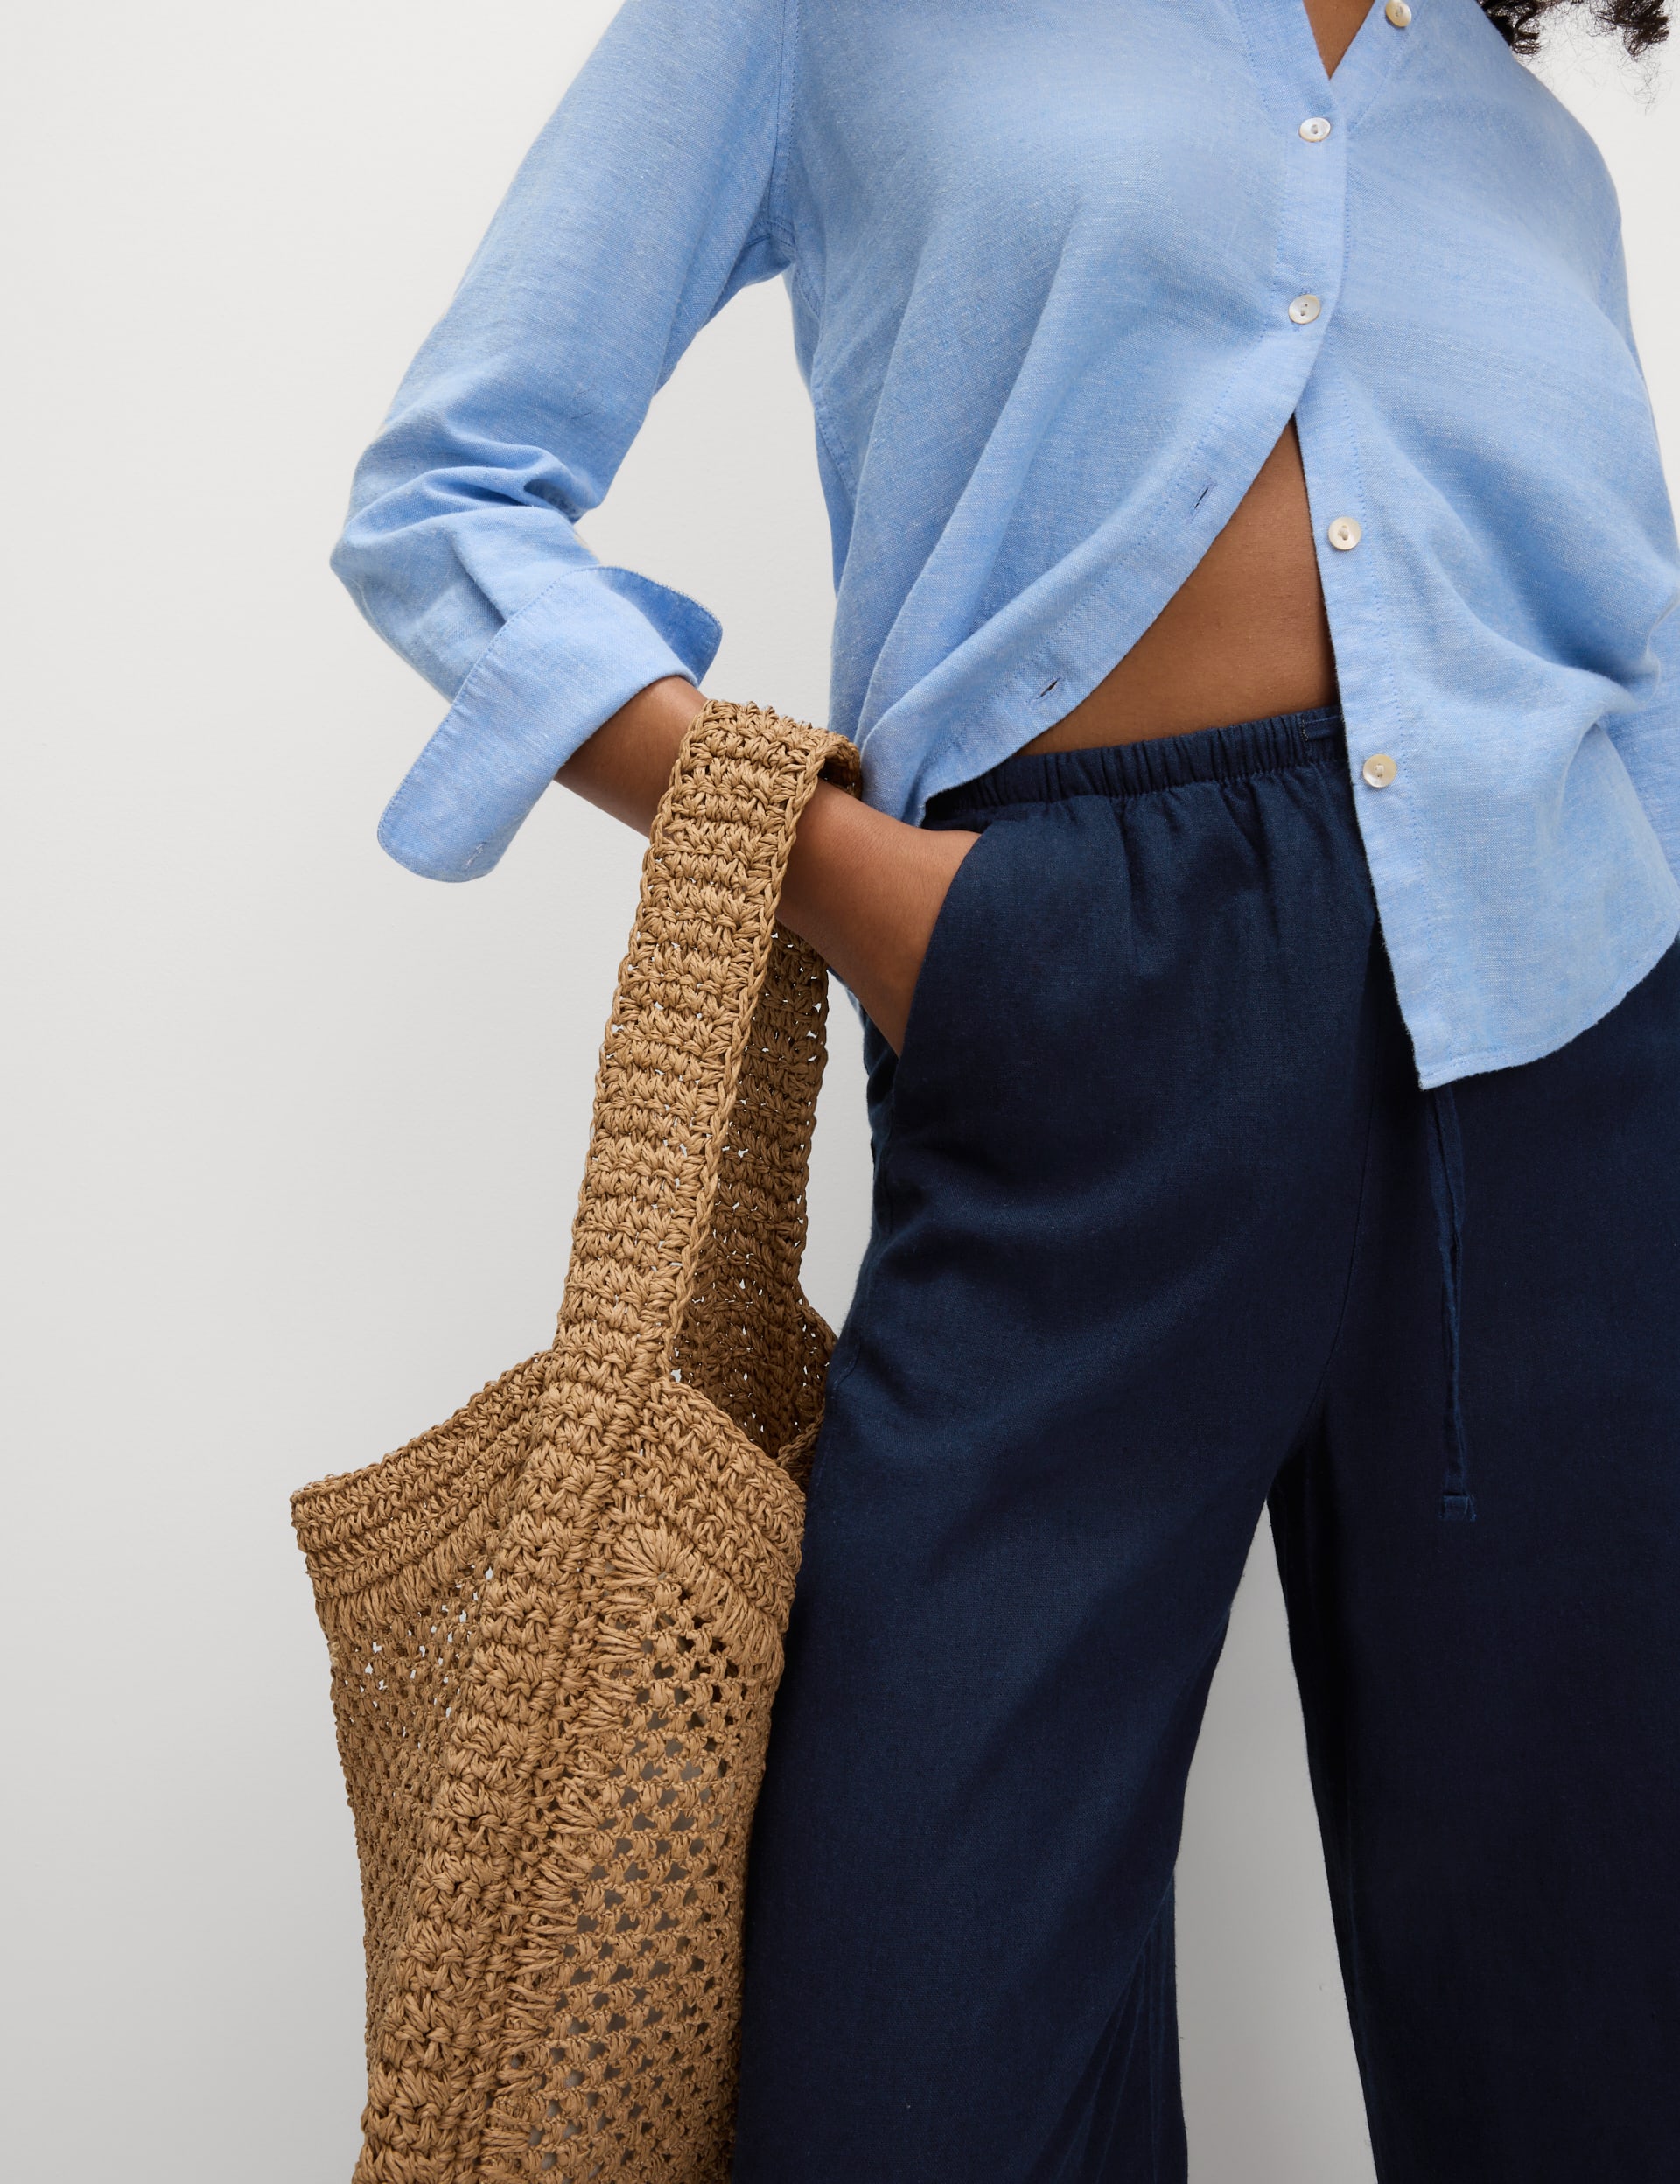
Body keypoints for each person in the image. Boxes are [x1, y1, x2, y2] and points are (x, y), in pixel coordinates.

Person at [331, 0, 1680, 2174]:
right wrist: (846, 881)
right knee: (915, 2053)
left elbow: (1638, 666)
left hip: (1563, 1053)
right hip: (1069, 1006)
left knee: (1599, 2013)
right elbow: (446, 496)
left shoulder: (1535, 154)